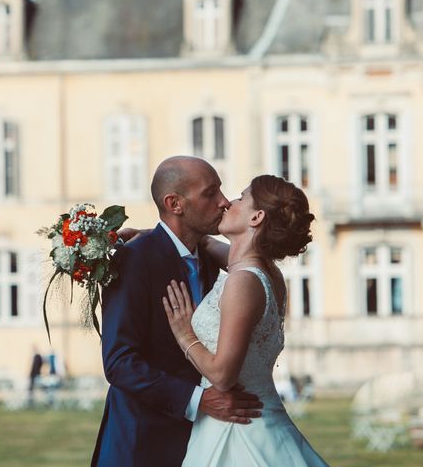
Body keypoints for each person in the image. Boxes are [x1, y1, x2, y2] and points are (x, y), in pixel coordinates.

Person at [91, 156, 263, 467]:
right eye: (210, 193)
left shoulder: (212, 259)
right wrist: (197, 400)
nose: (224, 202)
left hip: (205, 443)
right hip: (141, 445)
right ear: (175, 203)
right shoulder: (132, 260)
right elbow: (119, 362)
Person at [163, 174, 330, 466]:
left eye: (240, 198)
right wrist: (158, 235)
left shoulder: (243, 282)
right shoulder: (264, 272)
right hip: (261, 419)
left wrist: (184, 334)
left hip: (238, 428)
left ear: (257, 216)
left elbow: (223, 374)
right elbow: (212, 247)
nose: (228, 203)